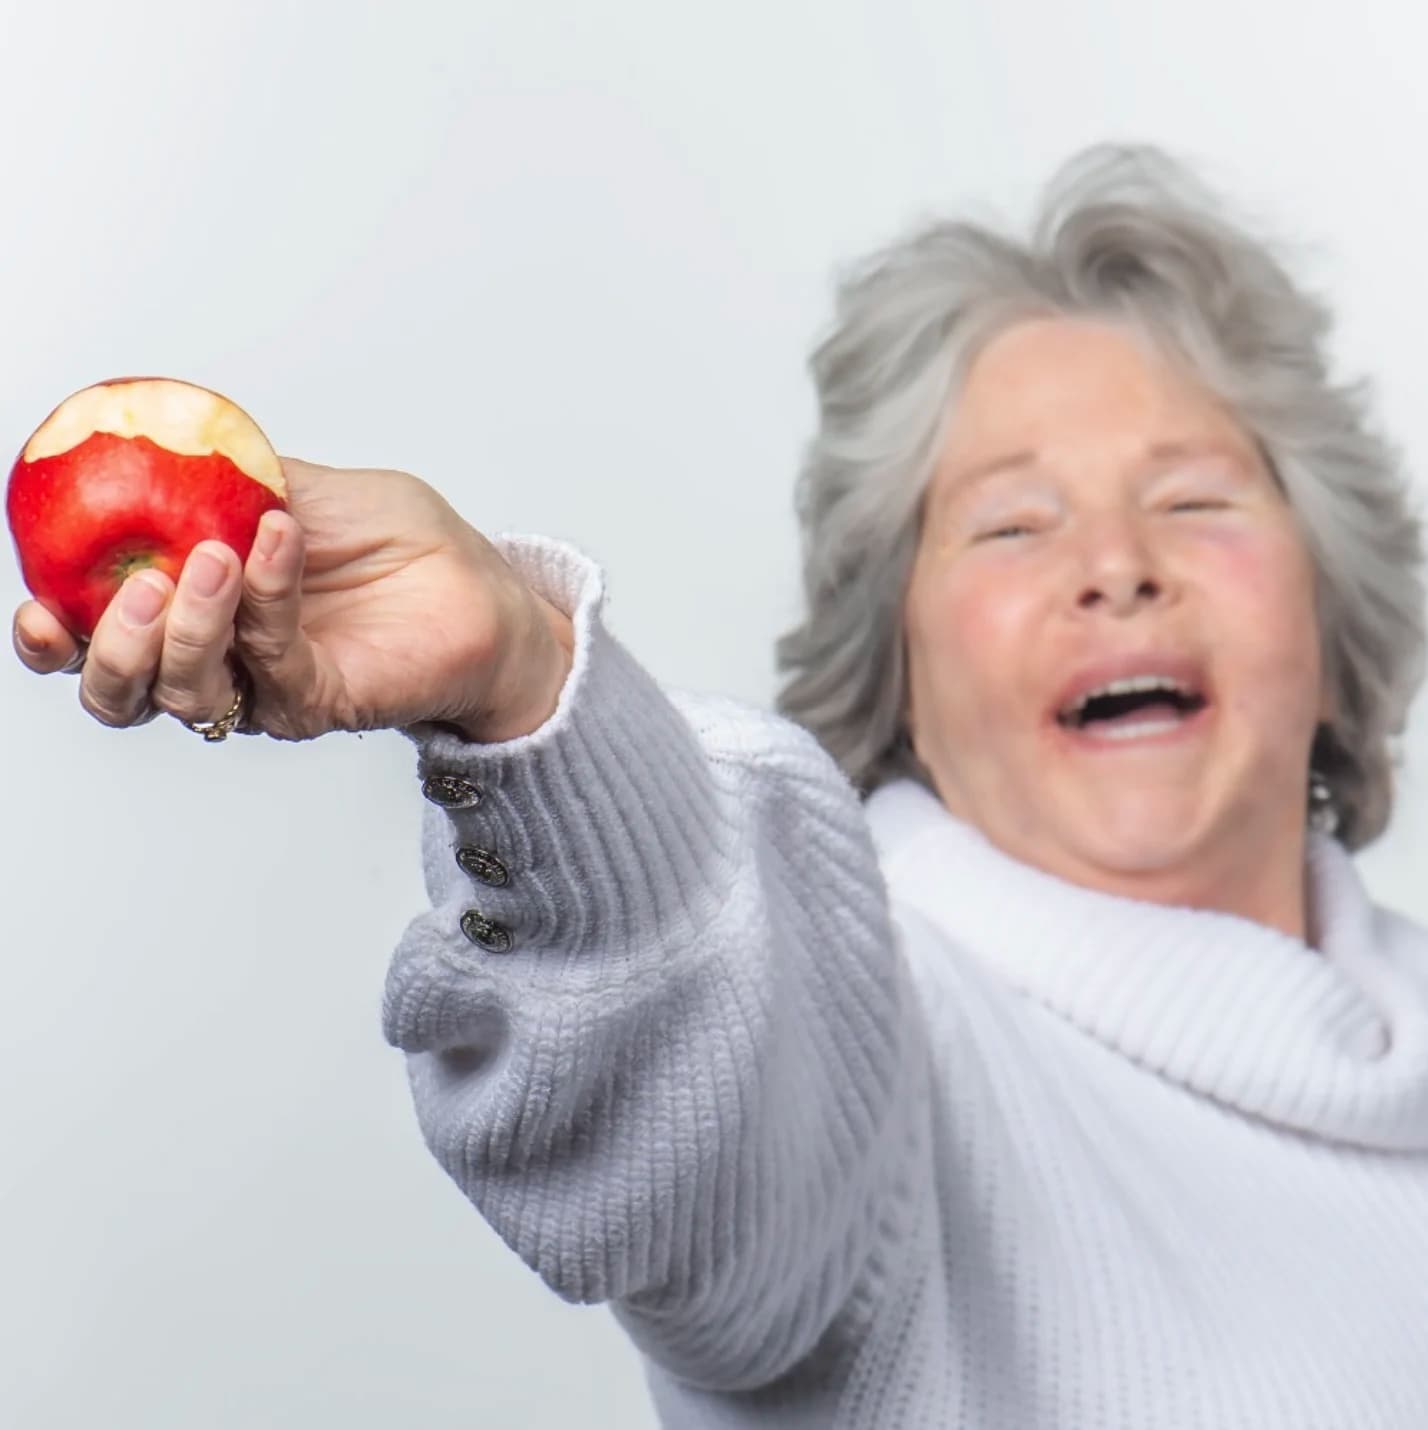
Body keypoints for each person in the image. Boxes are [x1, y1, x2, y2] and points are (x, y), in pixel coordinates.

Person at [12, 144, 1428, 1428]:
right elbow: (704, 1059)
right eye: (1011, 523)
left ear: (1331, 596)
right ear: (900, 658)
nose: (1117, 566)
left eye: (1194, 499)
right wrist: (524, 692)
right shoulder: (871, 1027)